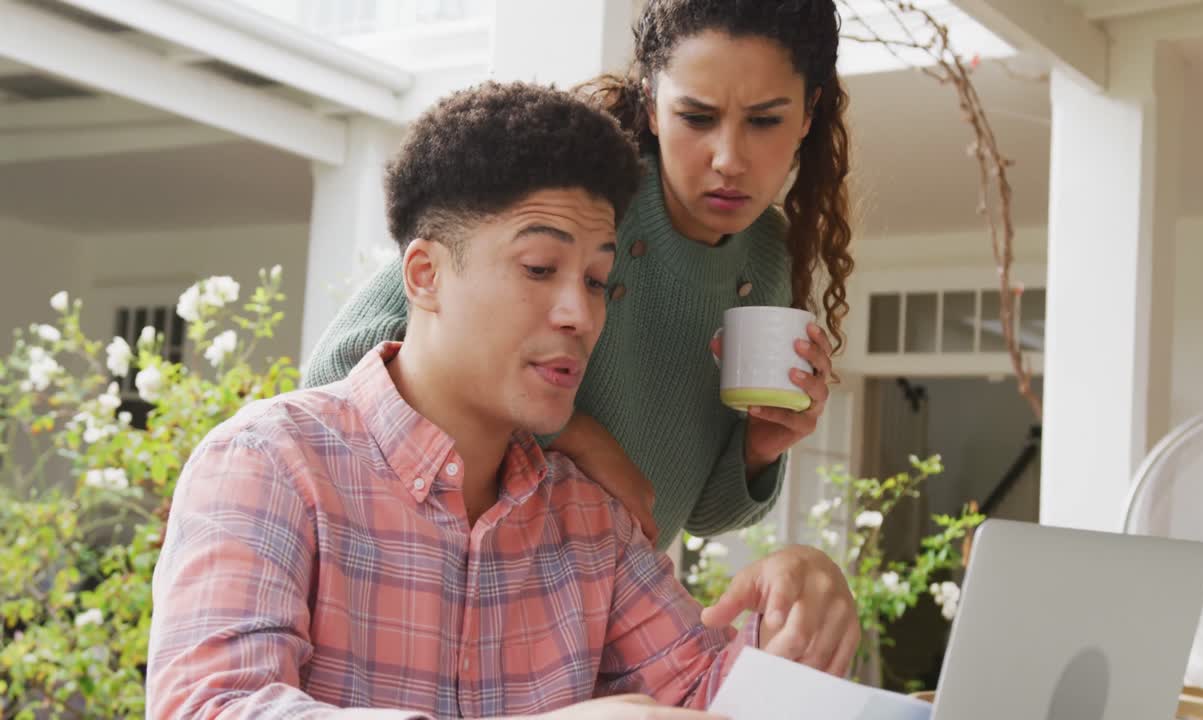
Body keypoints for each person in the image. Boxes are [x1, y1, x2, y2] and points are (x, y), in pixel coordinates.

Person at [146, 82, 860, 720]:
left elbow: (711, 696)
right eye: (540, 268)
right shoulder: (269, 464)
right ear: (424, 276)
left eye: (595, 281)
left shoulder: (589, 520)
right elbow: (213, 707)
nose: (579, 315)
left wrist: (797, 606)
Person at [303, 0, 855, 550]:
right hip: (462, 568)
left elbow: (697, 515)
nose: (729, 158)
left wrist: (760, 446)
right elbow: (337, 369)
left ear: (808, 113)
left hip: (600, 606)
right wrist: (577, 436)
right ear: (652, 104)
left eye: (764, 120)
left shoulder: (769, 258)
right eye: (697, 117)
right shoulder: (577, 201)